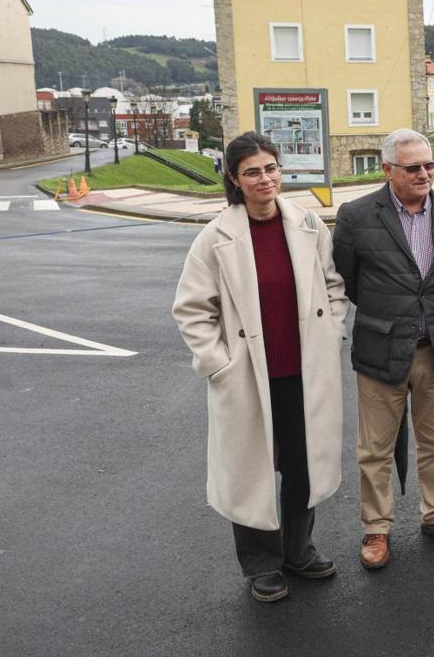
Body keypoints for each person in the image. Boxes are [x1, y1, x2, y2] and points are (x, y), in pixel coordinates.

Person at [172, 132, 348, 603]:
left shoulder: (308, 224)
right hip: (248, 376)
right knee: (251, 473)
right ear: (234, 180)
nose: (265, 179)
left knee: (302, 468)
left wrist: (330, 333)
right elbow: (192, 309)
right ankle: (261, 565)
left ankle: (298, 550)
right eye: (252, 172)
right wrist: (219, 363)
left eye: (270, 168)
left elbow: (334, 286)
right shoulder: (216, 237)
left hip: (304, 371)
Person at [333, 129, 434, 569]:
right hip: (381, 349)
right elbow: (348, 278)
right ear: (387, 170)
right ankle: (376, 529)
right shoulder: (357, 216)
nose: (424, 174)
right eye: (412, 167)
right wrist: (390, 313)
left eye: (429, 165)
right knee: (374, 449)